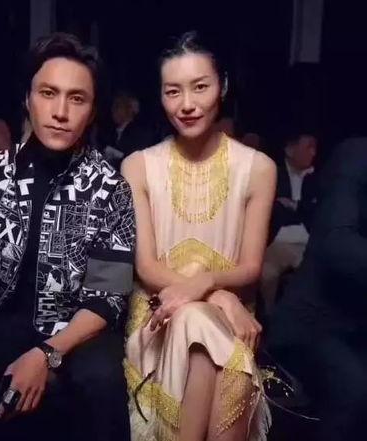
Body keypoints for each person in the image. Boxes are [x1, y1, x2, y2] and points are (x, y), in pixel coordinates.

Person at [0, 33, 135, 441]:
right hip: (4, 319)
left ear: (92, 111)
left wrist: (46, 354)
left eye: (77, 99)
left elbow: (108, 296)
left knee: (100, 380)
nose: (60, 112)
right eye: (48, 93)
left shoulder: (110, 187)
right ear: (27, 98)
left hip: (79, 330)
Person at [123, 31, 275, 441]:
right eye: (173, 91)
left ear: (221, 87)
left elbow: (251, 267)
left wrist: (209, 287)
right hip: (157, 318)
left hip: (231, 322)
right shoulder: (138, 166)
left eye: (200, 87)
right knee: (193, 321)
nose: (187, 104)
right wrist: (218, 297)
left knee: (201, 328)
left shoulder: (258, 168)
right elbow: (147, 267)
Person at [268, 137, 367, 441]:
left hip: (358, 329)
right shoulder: (357, 156)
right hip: (314, 326)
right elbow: (337, 244)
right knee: (355, 392)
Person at [260, 133, 318, 314]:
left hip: (308, 245)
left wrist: (294, 206)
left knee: (317, 277)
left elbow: (317, 211)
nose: (313, 153)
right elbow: (272, 208)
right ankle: (269, 319)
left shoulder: (318, 177)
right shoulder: (272, 174)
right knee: (266, 274)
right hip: (277, 243)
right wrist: (300, 209)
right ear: (290, 150)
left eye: (315, 148)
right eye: (308, 147)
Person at [102, 91, 157, 167]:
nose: (113, 110)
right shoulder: (111, 132)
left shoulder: (140, 133)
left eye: (118, 106)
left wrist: (118, 156)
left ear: (129, 109)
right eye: (113, 106)